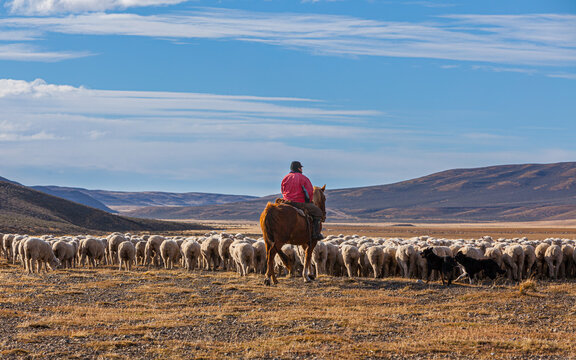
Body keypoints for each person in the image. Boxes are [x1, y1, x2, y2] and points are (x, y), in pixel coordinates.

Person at [281, 161, 324, 241]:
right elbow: (309, 192)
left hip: (286, 202)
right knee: (318, 212)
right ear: (298, 168)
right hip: (299, 202)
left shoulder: (285, 178)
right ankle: (316, 234)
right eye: (301, 167)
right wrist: (308, 201)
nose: (302, 169)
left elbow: (282, 190)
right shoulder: (303, 178)